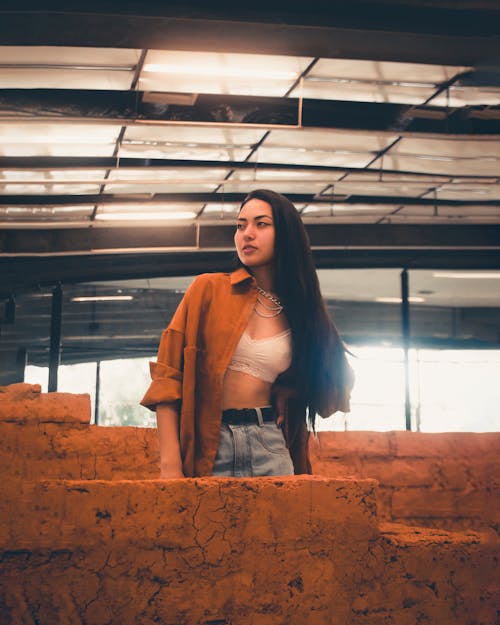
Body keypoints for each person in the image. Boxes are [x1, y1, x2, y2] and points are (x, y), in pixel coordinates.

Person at [140, 189, 354, 478]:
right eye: (241, 225)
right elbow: (167, 380)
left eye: (261, 224)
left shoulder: (302, 311)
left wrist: (293, 387)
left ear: (286, 234)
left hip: (270, 445)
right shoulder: (207, 290)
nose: (246, 234)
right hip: (209, 448)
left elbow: (338, 384)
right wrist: (170, 465)